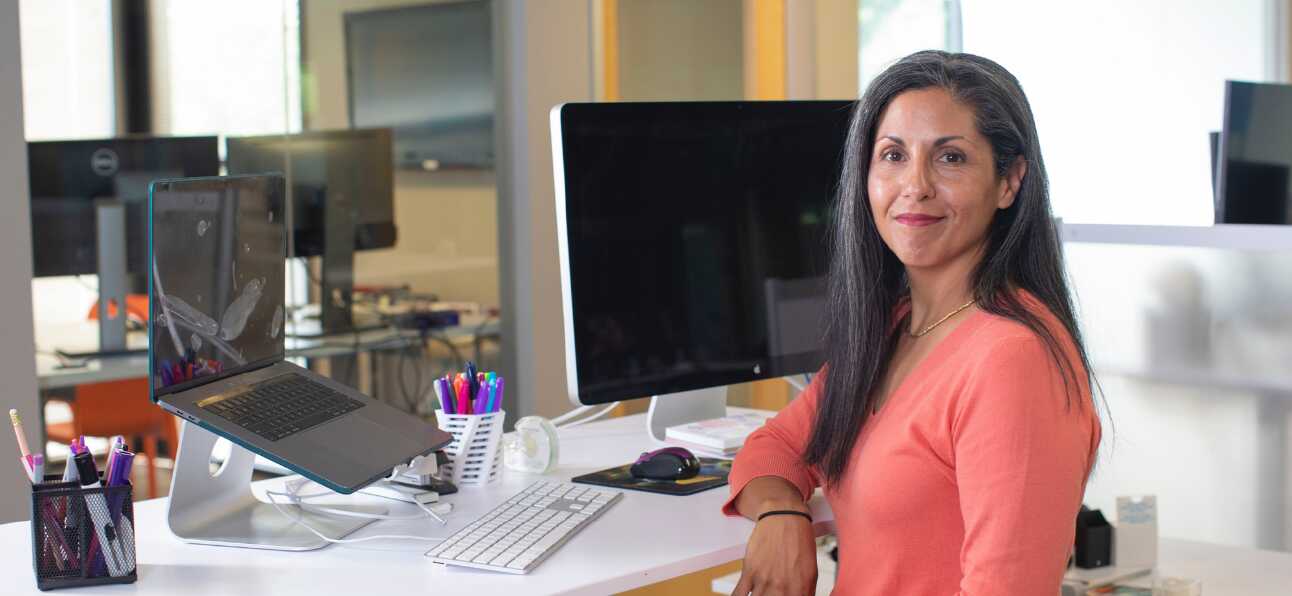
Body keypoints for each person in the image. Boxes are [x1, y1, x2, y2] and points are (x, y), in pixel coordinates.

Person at [723, 50, 1103, 596]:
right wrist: (783, 516)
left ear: (1009, 182)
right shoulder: (896, 326)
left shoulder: (1013, 359)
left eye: (950, 158)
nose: (915, 185)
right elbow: (776, 445)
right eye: (893, 155)